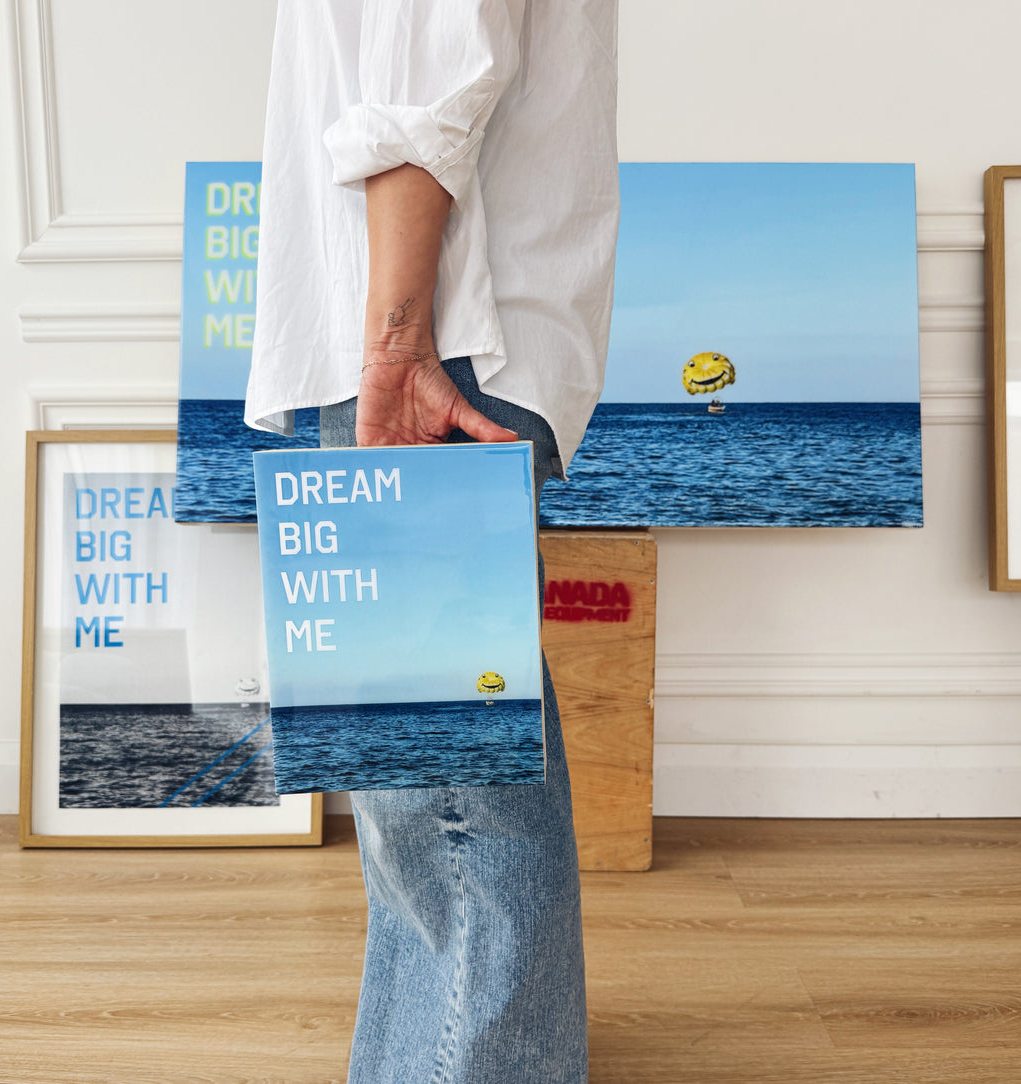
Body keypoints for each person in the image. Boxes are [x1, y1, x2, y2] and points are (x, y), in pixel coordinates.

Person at [246, 3, 619, 1080]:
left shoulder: (411, 347)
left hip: (435, 338)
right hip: (438, 329)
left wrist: (396, 343)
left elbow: (425, 78)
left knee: (444, 806)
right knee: (436, 791)